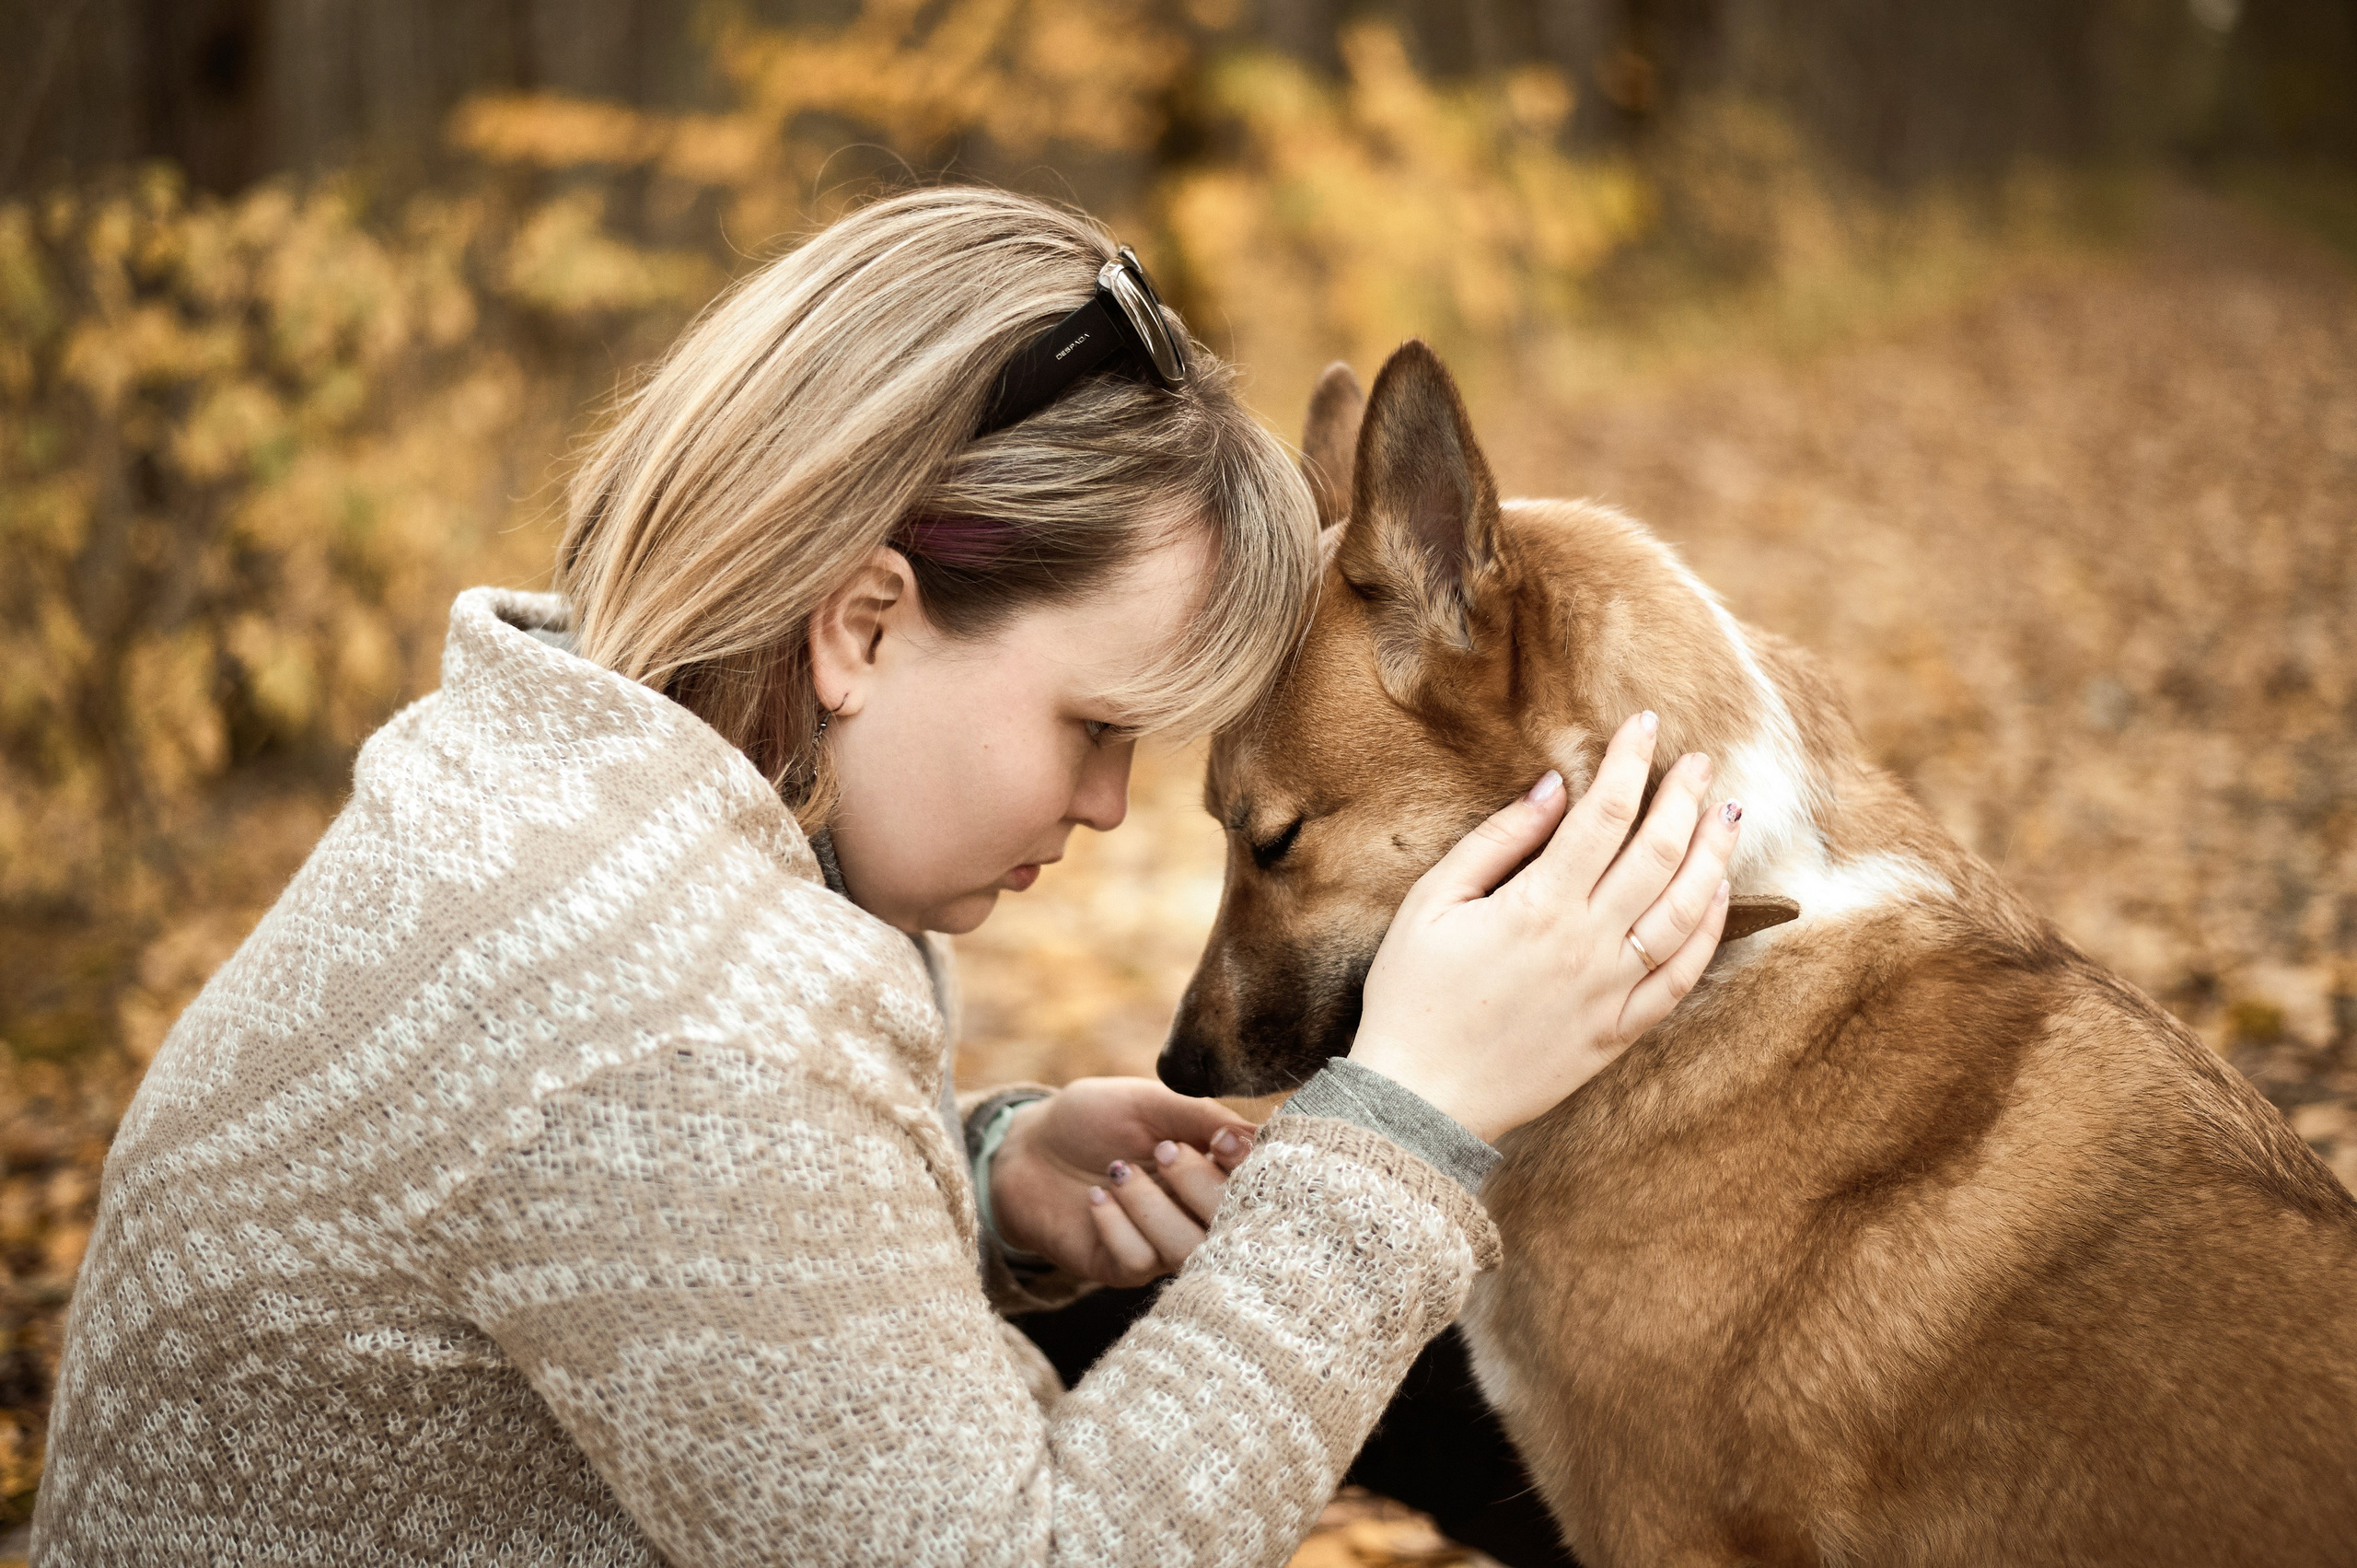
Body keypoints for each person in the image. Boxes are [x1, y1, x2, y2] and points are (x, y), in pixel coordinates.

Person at [31, 187, 1738, 1567]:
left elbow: (630, 1258)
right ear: (862, 626)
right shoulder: (673, 1027)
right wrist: (1412, 1118)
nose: (1105, 805)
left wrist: (978, 1182)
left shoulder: (583, 807)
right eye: (1094, 723)